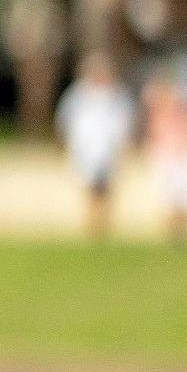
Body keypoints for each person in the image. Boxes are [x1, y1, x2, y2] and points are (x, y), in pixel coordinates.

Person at [58, 52, 138, 242]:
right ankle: (93, 225)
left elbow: (125, 122)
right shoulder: (78, 95)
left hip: (108, 150)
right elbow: (65, 120)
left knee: (107, 188)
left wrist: (125, 145)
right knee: (90, 187)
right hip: (85, 149)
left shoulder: (117, 95)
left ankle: (105, 225)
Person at [152, 71, 187, 244]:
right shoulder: (161, 113)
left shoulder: (186, 113)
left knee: (186, 198)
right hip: (170, 158)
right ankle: (175, 234)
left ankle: (182, 234)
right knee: (172, 198)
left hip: (184, 158)